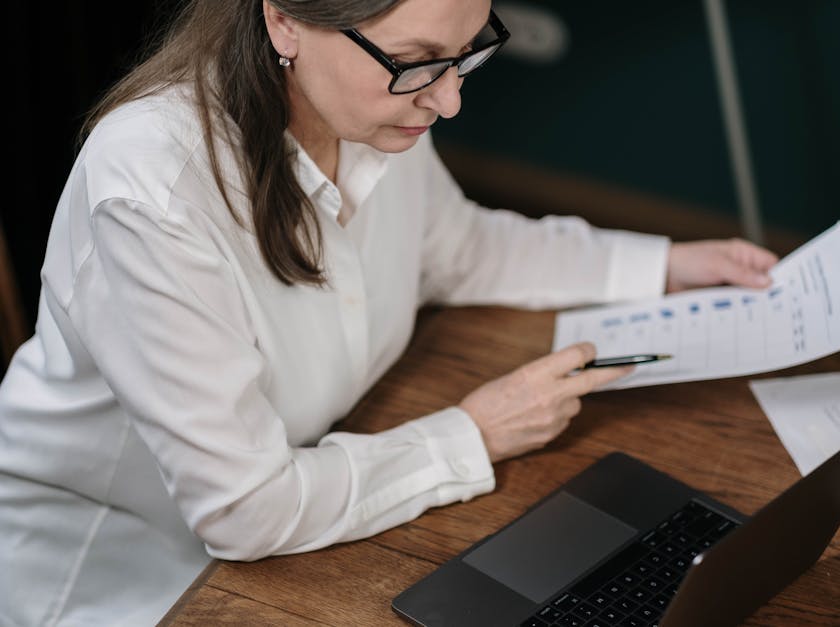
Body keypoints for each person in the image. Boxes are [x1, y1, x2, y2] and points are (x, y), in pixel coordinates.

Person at [0, 0, 779, 624]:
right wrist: (475, 432)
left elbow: (459, 247)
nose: (450, 99)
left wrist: (663, 267)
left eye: (469, 49)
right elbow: (245, 509)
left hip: (317, 502)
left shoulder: (374, 113)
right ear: (283, 20)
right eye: (415, 64)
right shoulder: (152, 192)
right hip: (126, 577)